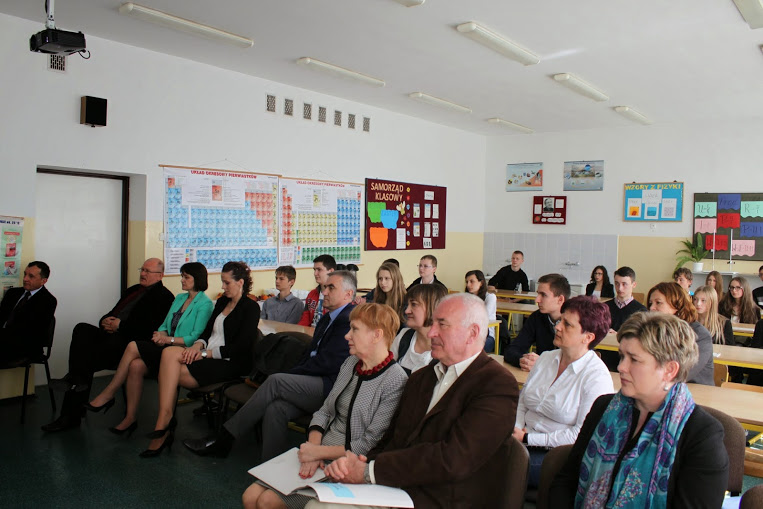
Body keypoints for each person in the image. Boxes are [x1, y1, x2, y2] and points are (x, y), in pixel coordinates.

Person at [310, 293, 520, 508]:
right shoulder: (421, 378)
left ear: (472, 333)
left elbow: (454, 459)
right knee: (316, 501)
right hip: (394, 489)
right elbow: (392, 439)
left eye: (442, 324)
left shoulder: (497, 385)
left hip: (444, 500)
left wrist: (369, 471)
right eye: (432, 323)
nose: (431, 332)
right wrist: (359, 463)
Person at [550, 313, 729, 508]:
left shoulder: (702, 435)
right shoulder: (604, 407)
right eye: (622, 356)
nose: (621, 367)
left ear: (670, 370)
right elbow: (567, 480)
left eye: (634, 360)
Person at [241, 303, 408, 509]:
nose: (347, 335)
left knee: (267, 502)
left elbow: (368, 443)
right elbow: (324, 411)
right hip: (318, 452)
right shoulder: (350, 364)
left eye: (354, 329)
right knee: (250, 497)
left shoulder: (395, 380)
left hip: (344, 466)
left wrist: (318, 453)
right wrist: (313, 448)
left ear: (376, 335)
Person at [184, 271, 357, 461]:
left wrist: (293, 374)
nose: (325, 292)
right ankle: (271, 465)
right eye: (325, 287)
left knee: (276, 381)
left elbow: (328, 363)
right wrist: (295, 374)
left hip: (330, 387)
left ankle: (225, 437)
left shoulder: (349, 320)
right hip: (311, 381)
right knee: (276, 408)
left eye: (331, 288)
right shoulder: (327, 319)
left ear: (348, 294)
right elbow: (309, 356)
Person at [140, 261, 259, 457]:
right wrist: (197, 345)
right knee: (169, 354)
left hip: (229, 363)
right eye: (222, 281)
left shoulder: (251, 308)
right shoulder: (222, 302)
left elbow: (241, 347)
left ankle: (164, 425)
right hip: (207, 355)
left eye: (227, 282)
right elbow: (207, 331)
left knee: (169, 372)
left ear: (240, 283)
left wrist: (204, 353)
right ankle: (165, 419)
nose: (222, 286)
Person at [42, 258, 174, 433]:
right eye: (142, 270)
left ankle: (70, 410)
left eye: (147, 271)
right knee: (82, 329)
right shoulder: (133, 290)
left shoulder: (165, 298)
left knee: (83, 362)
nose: (142, 274)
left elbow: (150, 332)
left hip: (128, 346)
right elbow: (113, 313)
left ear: (160, 275)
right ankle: (75, 383)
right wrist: (104, 321)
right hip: (110, 338)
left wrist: (120, 326)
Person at [85, 262, 214, 434]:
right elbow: (164, 325)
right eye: (182, 276)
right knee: (135, 365)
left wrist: (168, 339)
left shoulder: (205, 304)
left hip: (182, 351)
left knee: (133, 346)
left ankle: (109, 392)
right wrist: (160, 335)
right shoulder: (179, 298)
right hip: (166, 346)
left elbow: (195, 337)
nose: (182, 280)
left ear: (197, 279)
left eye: (186, 277)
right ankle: (130, 418)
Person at [513, 296, 614, 488]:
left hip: (557, 454)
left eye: (567, 324)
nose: (557, 327)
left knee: (504, 466)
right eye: (560, 320)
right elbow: (522, 401)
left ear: (588, 337)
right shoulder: (545, 358)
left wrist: (527, 438)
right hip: (520, 439)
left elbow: (580, 434)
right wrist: (516, 431)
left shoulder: (596, 377)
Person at [647, 282, 714, 386]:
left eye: (658, 303)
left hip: (693, 391)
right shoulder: (652, 331)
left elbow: (683, 373)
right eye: (651, 303)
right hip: (658, 387)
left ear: (677, 306)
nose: (652, 308)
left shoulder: (700, 335)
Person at [506, 273, 570, 371]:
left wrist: (542, 363)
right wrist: (524, 361)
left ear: (560, 299)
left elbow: (575, 363)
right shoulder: (537, 317)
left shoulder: (576, 323)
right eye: (538, 294)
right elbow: (512, 350)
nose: (537, 300)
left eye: (543, 295)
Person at [0, 261, 57, 365]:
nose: (25, 279)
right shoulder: (12, 293)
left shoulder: (48, 301)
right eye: (25, 274)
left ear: (43, 281)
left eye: (31, 276)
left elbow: (33, 332)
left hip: (25, 346)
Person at [390, 284, 448, 375]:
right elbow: (387, 371)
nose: (407, 311)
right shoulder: (404, 335)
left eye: (414, 304)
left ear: (433, 307)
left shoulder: (446, 348)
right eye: (408, 305)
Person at [298, 254, 336, 327]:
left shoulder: (337, 295)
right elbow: (305, 320)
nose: (315, 274)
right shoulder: (312, 294)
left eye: (319, 270)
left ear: (331, 271)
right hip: (310, 332)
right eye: (314, 270)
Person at [465, 269, 497, 352]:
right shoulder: (466, 298)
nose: (468, 285)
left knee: (470, 348)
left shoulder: (490, 297)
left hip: (487, 336)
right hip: (468, 334)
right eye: (467, 282)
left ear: (481, 283)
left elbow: (483, 316)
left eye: (472, 281)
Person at [606, 266, 646, 332]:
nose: (620, 288)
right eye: (617, 283)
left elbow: (641, 334)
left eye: (624, 284)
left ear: (634, 285)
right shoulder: (605, 307)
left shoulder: (641, 311)